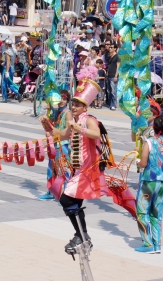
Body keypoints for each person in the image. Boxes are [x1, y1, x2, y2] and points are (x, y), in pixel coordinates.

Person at [40, 78, 112, 252]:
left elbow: (95, 133)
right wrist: (48, 127)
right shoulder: (75, 122)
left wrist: (80, 129)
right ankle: (81, 236)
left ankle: (82, 235)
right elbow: (61, 134)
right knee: (73, 204)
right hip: (78, 170)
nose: (73, 107)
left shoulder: (89, 119)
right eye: (73, 104)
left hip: (88, 170)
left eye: (77, 105)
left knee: (66, 200)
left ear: (85, 107)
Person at [134, 116, 163, 253]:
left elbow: (143, 163)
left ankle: (147, 243)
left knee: (141, 211)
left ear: (154, 127)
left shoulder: (149, 142)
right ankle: (157, 244)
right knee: (157, 213)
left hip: (150, 181)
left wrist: (138, 162)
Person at [38, 90, 72, 200]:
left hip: (63, 144)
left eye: (64, 99)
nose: (62, 101)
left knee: (63, 169)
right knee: (51, 169)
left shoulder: (68, 113)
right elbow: (49, 127)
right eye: (60, 98)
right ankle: (51, 192)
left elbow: (68, 131)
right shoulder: (55, 111)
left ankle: (66, 195)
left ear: (67, 100)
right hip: (54, 143)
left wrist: (55, 132)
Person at [105, 43, 120, 110]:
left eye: (111, 47)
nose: (110, 48)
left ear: (115, 49)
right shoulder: (110, 56)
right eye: (110, 47)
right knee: (109, 90)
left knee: (113, 91)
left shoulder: (117, 56)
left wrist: (116, 76)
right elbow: (109, 66)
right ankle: (110, 103)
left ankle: (113, 104)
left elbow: (118, 67)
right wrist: (107, 74)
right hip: (109, 75)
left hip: (114, 75)